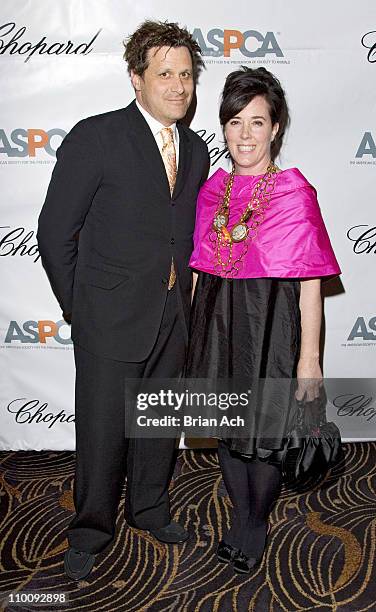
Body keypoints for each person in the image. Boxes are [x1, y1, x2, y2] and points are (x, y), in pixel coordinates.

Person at [37, 20, 210, 581]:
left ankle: (150, 509)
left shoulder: (197, 148)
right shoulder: (97, 136)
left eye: (185, 75)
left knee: (158, 422)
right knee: (103, 430)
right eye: (165, 74)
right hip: (107, 317)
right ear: (137, 78)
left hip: (171, 316)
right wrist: (79, 307)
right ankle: (90, 529)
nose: (178, 86)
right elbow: (55, 232)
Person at [186, 67, 340, 574]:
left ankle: (255, 523)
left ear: (276, 128)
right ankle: (240, 516)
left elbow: (310, 283)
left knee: (266, 434)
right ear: (224, 128)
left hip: (273, 329)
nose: (244, 135)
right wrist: (193, 343)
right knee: (230, 431)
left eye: (257, 122)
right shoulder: (213, 191)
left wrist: (310, 359)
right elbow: (199, 272)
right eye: (234, 122)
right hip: (218, 328)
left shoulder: (295, 193)